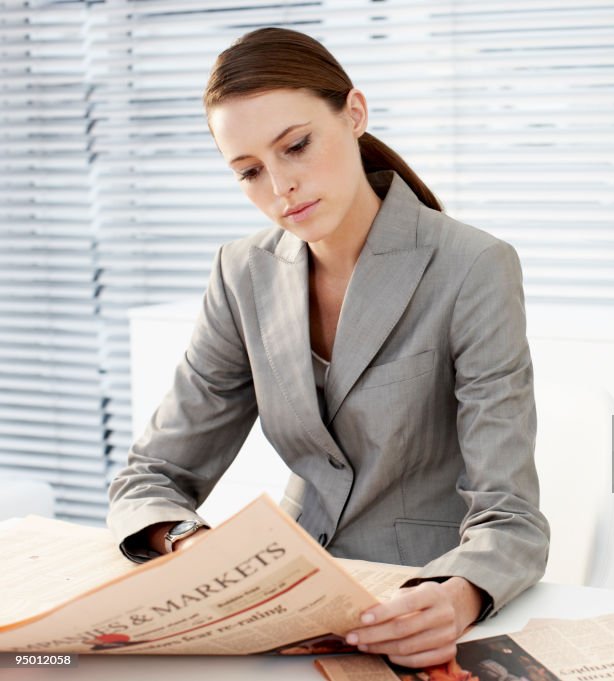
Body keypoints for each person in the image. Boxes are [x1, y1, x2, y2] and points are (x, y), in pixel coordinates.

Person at [106, 26, 550, 668]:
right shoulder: (241, 273)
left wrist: (456, 596)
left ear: (355, 114)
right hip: (287, 609)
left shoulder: (472, 266)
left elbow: (511, 518)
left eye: (296, 146)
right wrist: (186, 542)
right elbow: (153, 475)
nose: (280, 187)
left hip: (414, 606)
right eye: (250, 171)